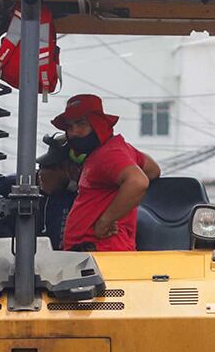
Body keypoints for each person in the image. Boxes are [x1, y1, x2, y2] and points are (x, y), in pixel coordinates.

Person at [55, 94, 152, 252]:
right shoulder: (120, 149)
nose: (74, 132)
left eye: (81, 123)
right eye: (69, 126)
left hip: (101, 254)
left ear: (98, 124)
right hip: (98, 254)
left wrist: (105, 221)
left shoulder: (108, 154)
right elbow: (153, 169)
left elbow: (138, 182)